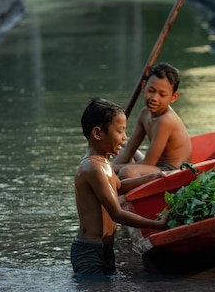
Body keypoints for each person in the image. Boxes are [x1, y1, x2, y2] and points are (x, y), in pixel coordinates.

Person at [72, 97, 169, 276]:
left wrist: (152, 177)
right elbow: (117, 213)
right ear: (98, 133)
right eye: (120, 131)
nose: (125, 138)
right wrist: (158, 225)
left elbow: (119, 186)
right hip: (90, 251)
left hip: (104, 248)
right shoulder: (94, 168)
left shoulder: (103, 163)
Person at [112, 62, 192, 179]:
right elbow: (129, 150)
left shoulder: (165, 120)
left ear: (173, 97)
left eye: (162, 95)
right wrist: (107, 170)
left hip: (173, 172)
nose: (154, 98)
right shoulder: (144, 114)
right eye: (151, 90)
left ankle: (120, 194)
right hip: (155, 165)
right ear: (144, 86)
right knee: (121, 147)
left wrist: (111, 168)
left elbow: (148, 163)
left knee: (127, 172)